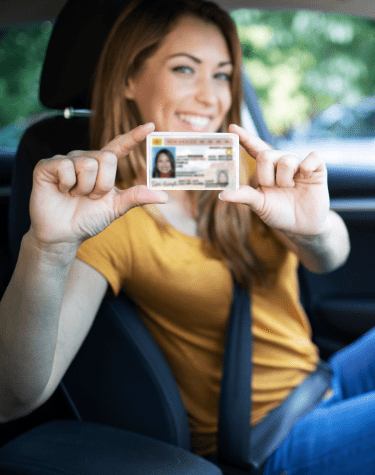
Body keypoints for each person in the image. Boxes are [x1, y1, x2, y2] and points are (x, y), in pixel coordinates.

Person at [5, 0, 375, 474]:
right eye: (185, 69)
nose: (211, 97)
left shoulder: (242, 166)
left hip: (321, 377)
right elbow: (16, 395)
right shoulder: (106, 214)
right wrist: (47, 250)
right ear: (128, 81)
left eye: (221, 75)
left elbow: (330, 259)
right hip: (271, 438)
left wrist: (314, 227)